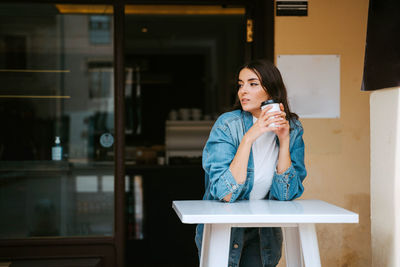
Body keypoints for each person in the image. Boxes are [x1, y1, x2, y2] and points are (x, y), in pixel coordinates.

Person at [195, 59, 307, 267]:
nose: (243, 91)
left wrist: (284, 142)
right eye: (240, 84)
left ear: (272, 91)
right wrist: (249, 138)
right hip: (224, 230)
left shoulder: (293, 127)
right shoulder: (228, 125)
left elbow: (286, 195)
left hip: (263, 233)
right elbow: (225, 192)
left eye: (252, 84)